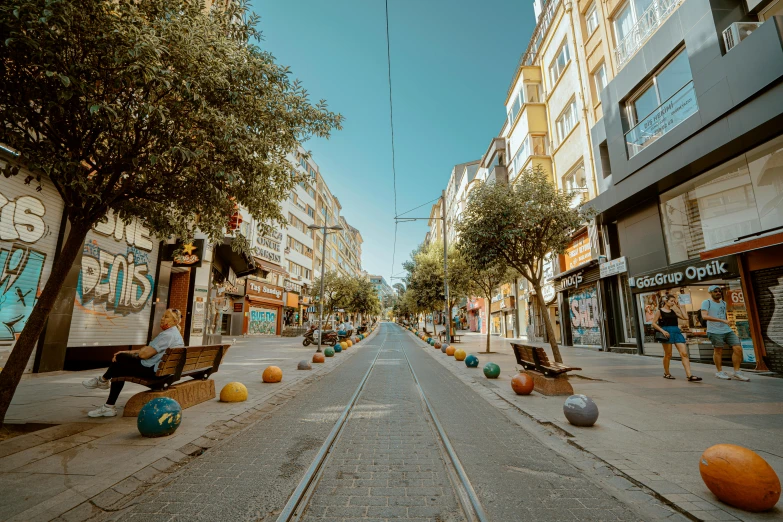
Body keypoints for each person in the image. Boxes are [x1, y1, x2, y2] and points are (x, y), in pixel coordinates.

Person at [81, 309, 185, 417]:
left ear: (174, 321)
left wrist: (125, 353)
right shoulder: (174, 334)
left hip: (155, 373)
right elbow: (147, 351)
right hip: (164, 372)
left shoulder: (167, 335)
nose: (162, 318)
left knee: (120, 359)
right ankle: (107, 399)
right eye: (163, 316)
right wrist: (128, 352)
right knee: (120, 364)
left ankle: (104, 384)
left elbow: (144, 355)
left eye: (166, 317)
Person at [701, 285, 750, 381]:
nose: (718, 293)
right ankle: (719, 372)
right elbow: (704, 316)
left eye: (719, 291)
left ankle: (737, 371)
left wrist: (726, 321)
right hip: (714, 331)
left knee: (738, 348)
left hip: (727, 330)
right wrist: (722, 320)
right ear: (711, 293)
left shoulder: (723, 303)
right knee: (718, 350)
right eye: (715, 291)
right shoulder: (706, 303)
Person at [652, 295, 701, 382]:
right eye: (671, 301)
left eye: (674, 301)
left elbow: (685, 317)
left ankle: (689, 375)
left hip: (676, 332)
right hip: (666, 332)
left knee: (684, 353)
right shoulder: (659, 311)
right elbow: (654, 323)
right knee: (668, 354)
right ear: (665, 301)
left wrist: (680, 307)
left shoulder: (674, 311)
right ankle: (666, 373)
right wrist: (663, 331)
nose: (673, 302)